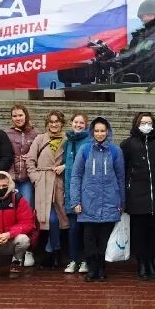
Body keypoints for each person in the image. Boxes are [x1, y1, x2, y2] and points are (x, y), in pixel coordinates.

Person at [71, 117, 124, 282]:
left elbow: (121, 177)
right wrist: (76, 201)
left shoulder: (115, 151)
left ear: (107, 131)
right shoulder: (85, 150)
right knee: (89, 238)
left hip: (109, 200)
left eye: (103, 131)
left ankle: (101, 268)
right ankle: (91, 269)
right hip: (89, 202)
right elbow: (76, 175)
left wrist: (122, 202)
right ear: (92, 132)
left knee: (104, 238)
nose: (100, 134)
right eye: (97, 131)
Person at [120, 112, 155, 280]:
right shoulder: (127, 144)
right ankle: (141, 264)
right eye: (143, 122)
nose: (146, 125)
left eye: (149, 122)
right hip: (136, 195)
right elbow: (123, 170)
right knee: (139, 233)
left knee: (154, 232)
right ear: (137, 124)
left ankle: (151, 263)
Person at [26, 110, 71, 268]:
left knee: (58, 219)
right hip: (43, 184)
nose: (54, 124)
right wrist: (36, 178)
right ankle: (53, 251)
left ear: (62, 123)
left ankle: (52, 252)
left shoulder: (67, 139)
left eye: (57, 121)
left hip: (60, 184)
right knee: (49, 219)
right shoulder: (40, 139)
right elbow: (30, 161)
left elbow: (73, 159)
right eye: (51, 122)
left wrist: (64, 166)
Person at [62, 112, 91, 273]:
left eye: (81, 123)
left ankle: (86, 260)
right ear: (71, 123)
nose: (78, 125)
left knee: (85, 229)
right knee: (73, 229)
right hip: (70, 190)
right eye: (76, 122)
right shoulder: (67, 142)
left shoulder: (89, 142)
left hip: (86, 192)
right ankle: (73, 260)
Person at [6, 103, 38, 208]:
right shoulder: (6, 134)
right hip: (10, 177)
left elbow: (41, 153)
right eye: (14, 116)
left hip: (26, 178)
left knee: (26, 206)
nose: (17, 118)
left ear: (26, 116)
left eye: (20, 115)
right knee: (11, 207)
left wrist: (31, 155)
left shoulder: (35, 134)